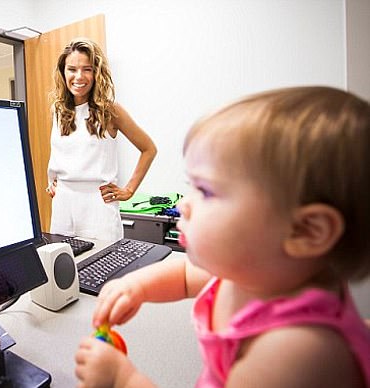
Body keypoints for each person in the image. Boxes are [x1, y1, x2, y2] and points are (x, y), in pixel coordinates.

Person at [75, 86, 370, 387]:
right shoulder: (253, 274)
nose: (183, 204)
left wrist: (121, 379)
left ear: (306, 231)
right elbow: (187, 276)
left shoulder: (293, 352)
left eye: (205, 190)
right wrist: (135, 286)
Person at [46, 38, 157, 242]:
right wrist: (51, 179)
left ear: (96, 72)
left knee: (103, 270)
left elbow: (149, 149)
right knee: (64, 269)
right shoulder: (58, 110)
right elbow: (60, 153)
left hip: (98, 209)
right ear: (63, 72)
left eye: (86, 69)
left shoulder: (110, 111)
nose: (79, 76)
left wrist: (129, 190)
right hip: (63, 206)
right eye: (72, 69)